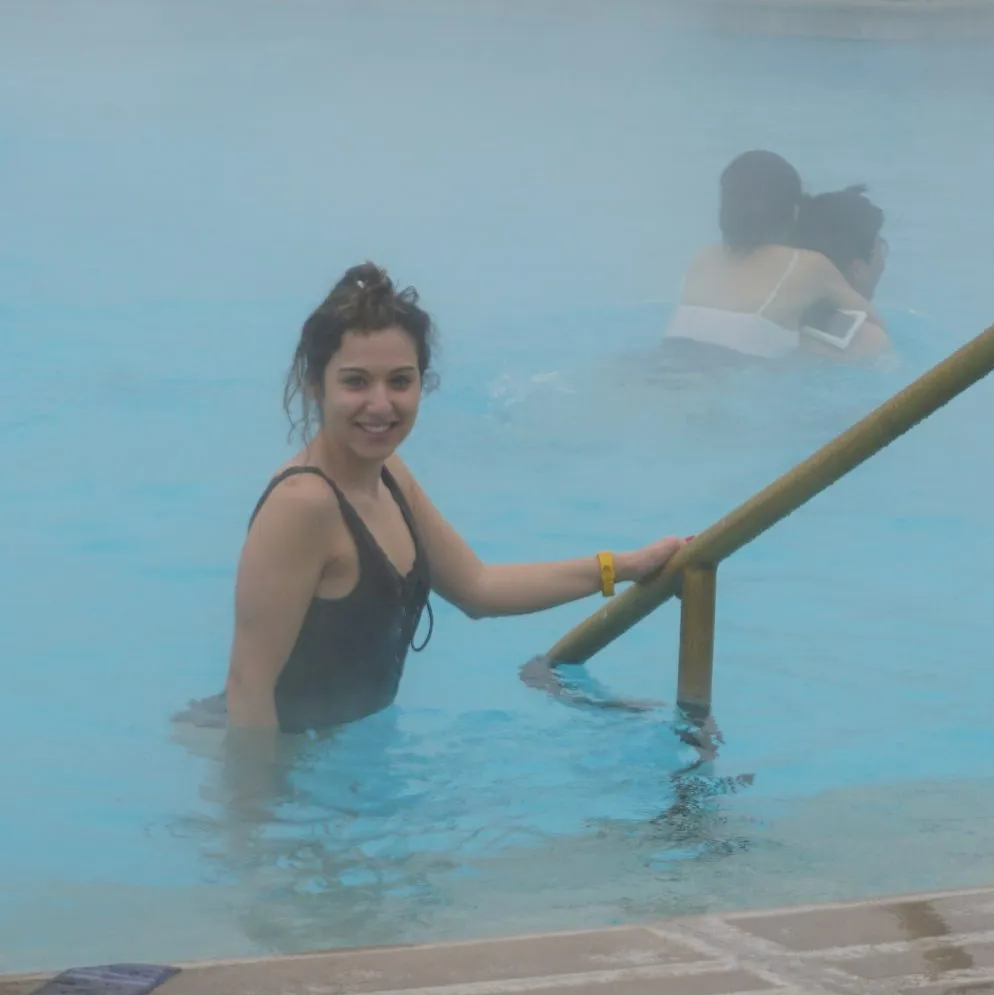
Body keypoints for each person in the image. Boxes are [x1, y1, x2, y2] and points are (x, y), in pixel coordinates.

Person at [220, 265, 689, 733]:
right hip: (282, 764)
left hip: (339, 756)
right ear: (315, 386)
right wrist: (258, 806)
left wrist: (624, 567)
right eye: (356, 382)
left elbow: (479, 589)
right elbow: (248, 686)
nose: (382, 405)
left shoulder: (388, 477)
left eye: (400, 381)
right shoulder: (304, 505)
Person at [664, 152, 890, 364]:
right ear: (794, 213)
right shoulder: (805, 264)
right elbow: (873, 322)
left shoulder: (703, 257)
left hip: (667, 359)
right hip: (733, 375)